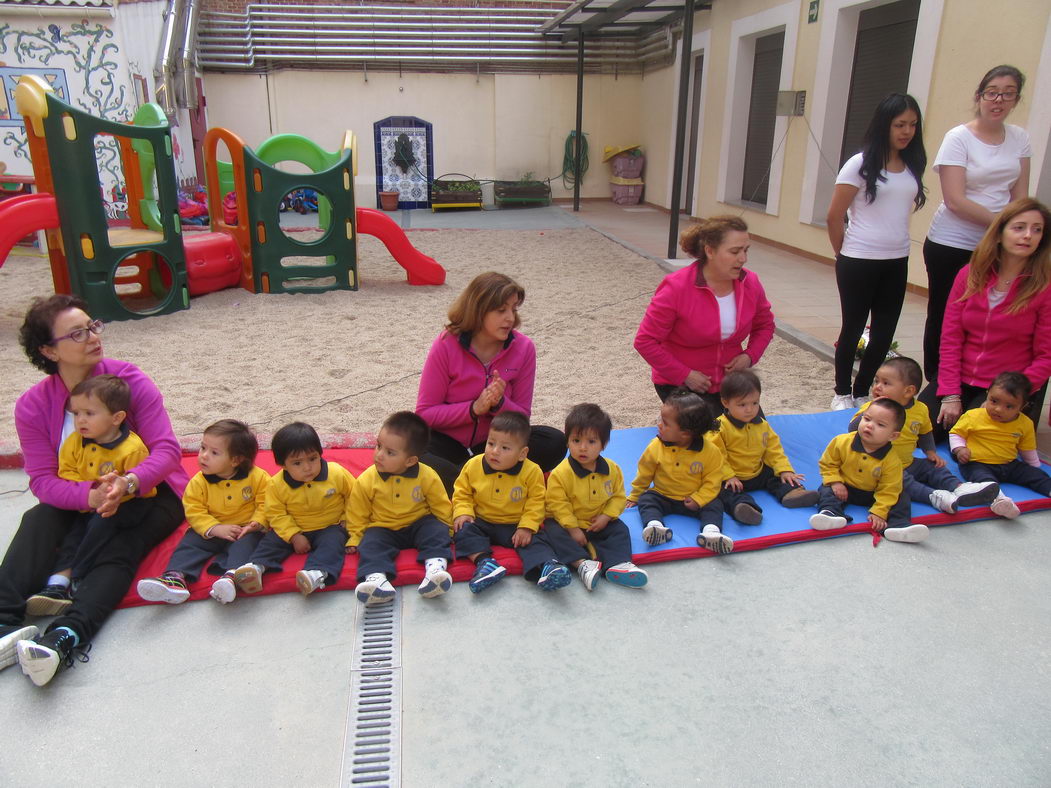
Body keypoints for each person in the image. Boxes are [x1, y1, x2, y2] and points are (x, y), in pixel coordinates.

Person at [0, 294, 187, 688]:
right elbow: (42, 481)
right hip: (81, 495)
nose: (92, 337)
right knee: (38, 517)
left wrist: (127, 482)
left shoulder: (128, 381)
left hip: (149, 492)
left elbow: (167, 451)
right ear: (49, 351)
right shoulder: (33, 406)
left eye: (92, 326)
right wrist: (88, 496)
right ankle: (3, 621)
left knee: (121, 536)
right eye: (77, 333)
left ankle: (66, 636)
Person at [922, 65, 1031, 382]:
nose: (998, 100)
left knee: (990, 315)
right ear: (979, 96)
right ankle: (939, 381)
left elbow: (1020, 195)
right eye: (992, 92)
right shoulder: (958, 138)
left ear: (1015, 99)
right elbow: (955, 200)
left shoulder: (1020, 138)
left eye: (1008, 93)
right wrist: (1005, 225)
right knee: (946, 314)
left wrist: (1016, 230)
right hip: (953, 242)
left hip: (998, 244)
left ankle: (982, 380)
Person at [416, 271, 567, 493]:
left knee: (554, 441)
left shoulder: (524, 348)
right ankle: (485, 485)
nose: (510, 318)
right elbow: (425, 413)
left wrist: (499, 404)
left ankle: (466, 485)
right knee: (412, 451)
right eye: (501, 310)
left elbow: (522, 418)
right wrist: (473, 409)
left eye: (514, 309)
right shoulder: (446, 344)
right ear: (478, 310)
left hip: (495, 446)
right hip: (448, 443)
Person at [826, 93, 927, 409]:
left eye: (912, 124)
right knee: (853, 328)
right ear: (884, 125)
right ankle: (842, 393)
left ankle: (862, 391)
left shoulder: (912, 164)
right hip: (858, 259)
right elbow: (833, 215)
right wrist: (843, 253)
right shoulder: (859, 164)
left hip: (896, 259)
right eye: (899, 124)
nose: (906, 131)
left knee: (883, 334)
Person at [25, 374, 155, 615]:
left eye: (89, 414)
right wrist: (92, 487)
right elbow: (67, 471)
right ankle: (56, 585)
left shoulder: (132, 448)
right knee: (74, 534)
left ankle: (79, 577)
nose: (80, 421)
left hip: (127, 503)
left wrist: (117, 488)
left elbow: (145, 486)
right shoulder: (75, 442)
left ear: (117, 418)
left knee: (99, 530)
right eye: (76, 414)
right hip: (89, 501)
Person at [924, 198, 1051, 435]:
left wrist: (1006, 397)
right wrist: (950, 393)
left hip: (1006, 388)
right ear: (1000, 233)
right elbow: (951, 337)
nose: (1028, 235)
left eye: (1037, 230)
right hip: (960, 379)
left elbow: (1046, 356)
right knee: (917, 431)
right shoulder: (969, 275)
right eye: (1019, 227)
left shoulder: (1045, 287)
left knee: (975, 446)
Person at [634, 215, 775, 414]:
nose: (743, 258)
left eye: (746, 250)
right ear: (710, 251)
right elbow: (645, 341)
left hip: (730, 384)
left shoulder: (750, 282)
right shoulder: (676, 287)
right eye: (735, 251)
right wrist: (685, 374)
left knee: (752, 438)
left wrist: (749, 356)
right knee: (709, 440)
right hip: (682, 384)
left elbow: (765, 325)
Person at [137, 420, 270, 605]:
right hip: (211, 528)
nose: (204, 456)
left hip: (243, 529)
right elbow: (193, 509)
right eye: (203, 448)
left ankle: (231, 577)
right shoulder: (198, 482)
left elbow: (266, 503)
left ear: (236, 459)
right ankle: (175, 578)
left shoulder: (258, 477)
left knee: (247, 545)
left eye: (214, 452)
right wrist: (214, 528)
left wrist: (256, 523)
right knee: (190, 544)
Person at [850, 357, 1000, 515]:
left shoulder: (920, 409)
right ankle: (932, 497)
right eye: (876, 381)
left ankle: (958, 488)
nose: (877, 387)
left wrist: (930, 452)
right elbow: (852, 428)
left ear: (908, 391)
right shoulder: (874, 408)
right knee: (903, 481)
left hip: (907, 462)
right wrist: (868, 414)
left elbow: (925, 432)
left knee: (934, 468)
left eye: (886, 383)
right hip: (879, 467)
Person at [233, 422, 355, 598]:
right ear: (283, 465)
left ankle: (316, 574)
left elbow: (354, 495)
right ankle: (257, 567)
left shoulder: (336, 473)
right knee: (271, 541)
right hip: (294, 526)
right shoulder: (276, 485)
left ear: (320, 454)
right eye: (297, 463)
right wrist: (294, 535)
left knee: (333, 544)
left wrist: (347, 519)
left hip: (330, 525)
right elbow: (275, 513)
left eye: (313, 458)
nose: (307, 467)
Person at [452, 411, 570, 593]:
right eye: (491, 443)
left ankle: (548, 566)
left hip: (515, 523)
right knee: (462, 531)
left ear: (522, 453)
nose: (494, 451)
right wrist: (464, 511)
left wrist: (527, 526)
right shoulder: (473, 465)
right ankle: (484, 563)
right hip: (482, 520)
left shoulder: (532, 471)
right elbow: (462, 492)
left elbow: (537, 501)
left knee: (536, 538)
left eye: (505, 448)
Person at [347, 411, 454, 605]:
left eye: (390, 452)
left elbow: (440, 503)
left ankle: (435, 571)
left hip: (418, 522)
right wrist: (355, 536)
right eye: (378, 446)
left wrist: (448, 527)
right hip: (383, 527)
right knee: (370, 543)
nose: (379, 455)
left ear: (411, 460)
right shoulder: (367, 479)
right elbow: (357, 511)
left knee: (435, 530)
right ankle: (377, 581)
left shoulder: (427, 475)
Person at [541, 403, 648, 590]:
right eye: (576, 441)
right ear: (567, 441)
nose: (583, 448)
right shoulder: (561, 473)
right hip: (568, 523)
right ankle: (582, 564)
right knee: (551, 531)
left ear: (603, 444)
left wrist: (606, 517)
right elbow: (557, 504)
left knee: (620, 530)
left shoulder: (612, 469)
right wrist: (573, 528)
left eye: (591, 442)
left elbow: (618, 497)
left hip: (599, 521)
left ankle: (618, 564)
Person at [626, 389, 733, 554]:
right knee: (647, 499)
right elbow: (645, 473)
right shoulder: (656, 446)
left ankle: (711, 532)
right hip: (663, 495)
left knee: (714, 504)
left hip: (693, 498)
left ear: (685, 433)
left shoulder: (710, 451)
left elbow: (713, 481)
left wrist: (699, 498)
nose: (659, 424)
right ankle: (655, 527)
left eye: (665, 423)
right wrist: (635, 495)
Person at [809, 397, 928, 543]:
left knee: (901, 497)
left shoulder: (892, 460)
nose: (869, 426)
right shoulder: (841, 442)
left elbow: (889, 489)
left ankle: (898, 525)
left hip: (873, 493)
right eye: (867, 419)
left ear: (893, 436)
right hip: (844, 487)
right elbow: (827, 463)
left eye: (880, 424)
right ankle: (831, 514)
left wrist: (879, 512)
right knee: (826, 489)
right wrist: (835, 482)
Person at [708, 370, 818, 525]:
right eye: (742, 405)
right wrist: (728, 475)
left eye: (755, 403)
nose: (749, 409)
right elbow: (715, 456)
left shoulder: (761, 424)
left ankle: (791, 494)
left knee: (776, 475)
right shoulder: (719, 428)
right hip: (733, 476)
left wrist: (785, 469)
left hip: (757, 471)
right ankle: (743, 507)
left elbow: (773, 449)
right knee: (722, 491)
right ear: (726, 403)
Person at [949, 371, 1051, 519]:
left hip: (1009, 464)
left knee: (1037, 475)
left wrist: (1034, 468)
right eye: (994, 401)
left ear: (1022, 407)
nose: (998, 409)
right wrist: (959, 449)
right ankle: (999, 500)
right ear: (987, 394)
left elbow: (1027, 449)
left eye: (1009, 406)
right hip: (977, 463)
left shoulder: (1025, 423)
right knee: (985, 481)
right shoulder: (974, 416)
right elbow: (956, 433)